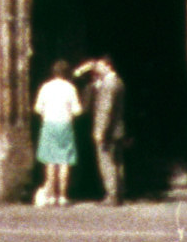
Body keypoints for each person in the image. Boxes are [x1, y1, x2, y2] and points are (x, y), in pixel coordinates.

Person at [31, 61, 82, 207]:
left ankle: (52, 196)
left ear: (53, 72)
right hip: (65, 125)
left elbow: (37, 108)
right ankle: (63, 196)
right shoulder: (70, 88)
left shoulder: (46, 87)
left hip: (49, 124)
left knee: (50, 161)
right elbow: (77, 110)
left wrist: (47, 113)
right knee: (64, 161)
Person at [82, 52, 128, 204]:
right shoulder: (118, 82)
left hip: (108, 131)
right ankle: (119, 192)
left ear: (108, 66)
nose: (97, 69)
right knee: (117, 162)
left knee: (107, 162)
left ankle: (112, 194)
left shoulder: (108, 84)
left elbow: (105, 109)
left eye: (100, 66)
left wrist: (100, 131)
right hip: (118, 129)